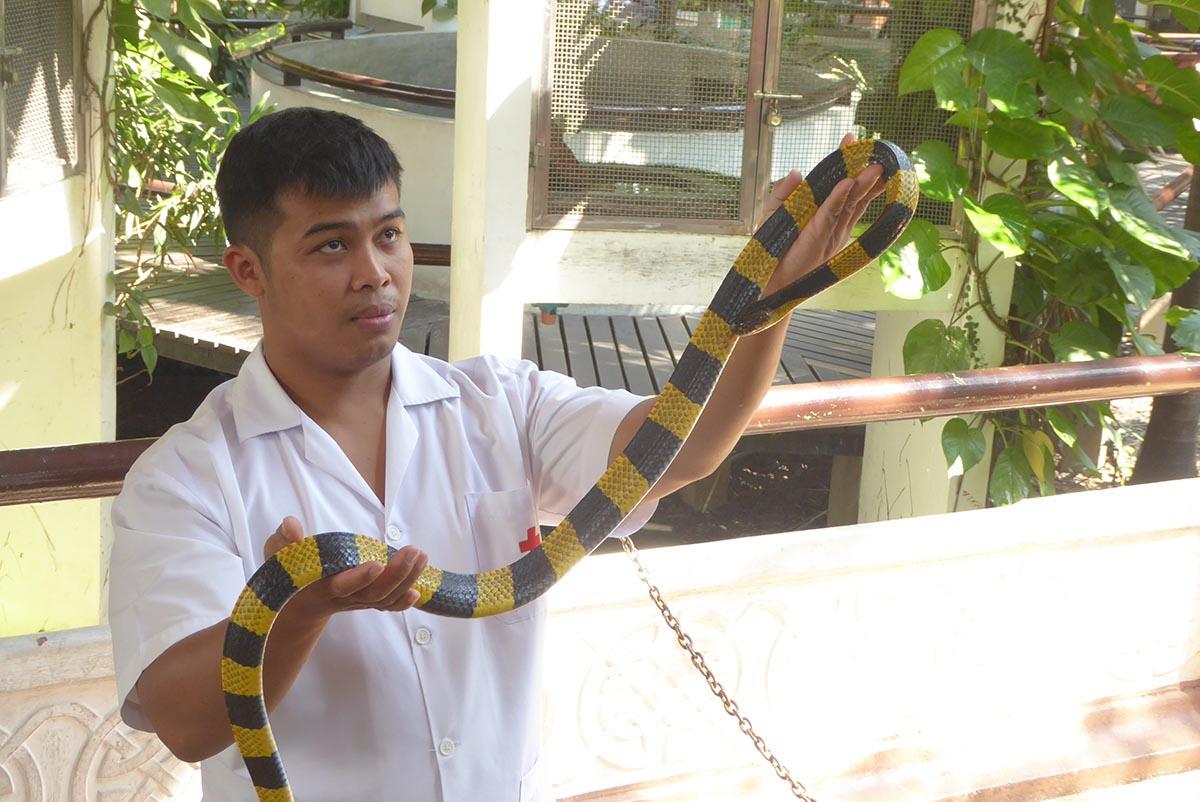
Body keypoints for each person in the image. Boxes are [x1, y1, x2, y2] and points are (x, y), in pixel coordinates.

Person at [108, 107, 883, 801]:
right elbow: (185, 723)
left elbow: (680, 446)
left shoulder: (499, 406)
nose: (374, 272)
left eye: (388, 234)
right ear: (248, 270)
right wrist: (299, 610)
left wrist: (776, 292)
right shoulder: (188, 478)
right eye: (331, 245)